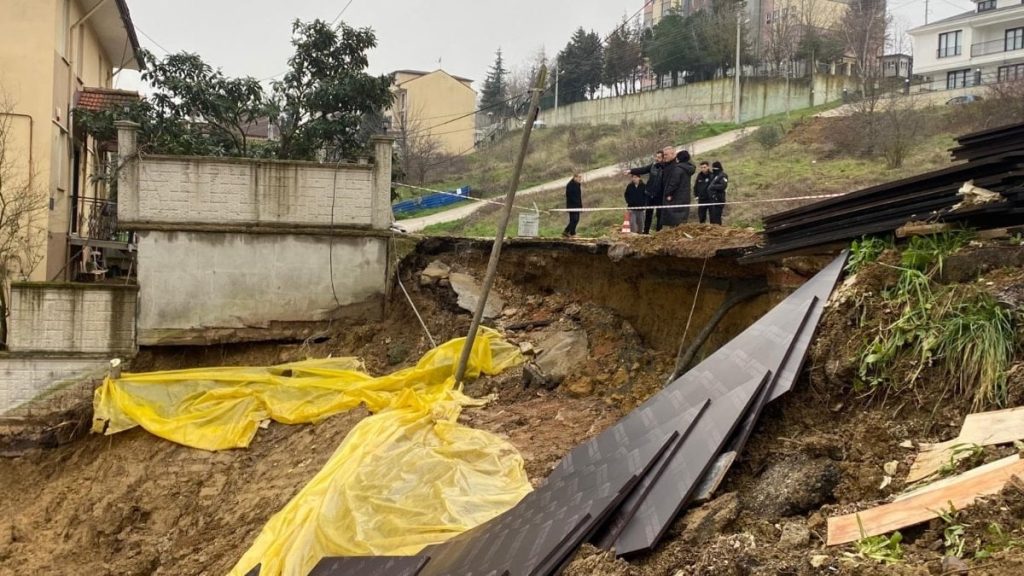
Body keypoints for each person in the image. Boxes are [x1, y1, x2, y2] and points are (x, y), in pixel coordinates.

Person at [627, 151, 664, 233]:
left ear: (663, 158)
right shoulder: (653, 166)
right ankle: (646, 231)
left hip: (660, 194)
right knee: (648, 214)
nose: (657, 159)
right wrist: (631, 171)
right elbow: (643, 169)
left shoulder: (666, 168)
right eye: (656, 157)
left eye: (659, 157)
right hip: (650, 193)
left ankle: (658, 232)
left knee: (659, 214)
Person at [661, 149, 695, 227]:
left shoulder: (678, 169)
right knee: (682, 220)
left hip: (676, 197)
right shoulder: (688, 169)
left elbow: (673, 183)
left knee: (674, 221)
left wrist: (667, 193)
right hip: (684, 196)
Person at [707, 161, 729, 225]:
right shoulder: (714, 176)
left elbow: (723, 186)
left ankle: (718, 228)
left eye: (714, 168)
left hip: (719, 198)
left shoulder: (723, 175)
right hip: (713, 199)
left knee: (717, 216)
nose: (713, 169)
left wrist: (712, 187)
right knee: (713, 217)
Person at [562, 172, 583, 237]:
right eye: (579, 177)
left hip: (577, 205)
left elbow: (579, 196)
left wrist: (580, 206)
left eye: (581, 177)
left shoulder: (578, 184)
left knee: (576, 219)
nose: (580, 179)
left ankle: (569, 232)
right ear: (575, 177)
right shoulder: (570, 185)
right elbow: (570, 196)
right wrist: (576, 204)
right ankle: (570, 232)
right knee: (574, 219)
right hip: (572, 205)